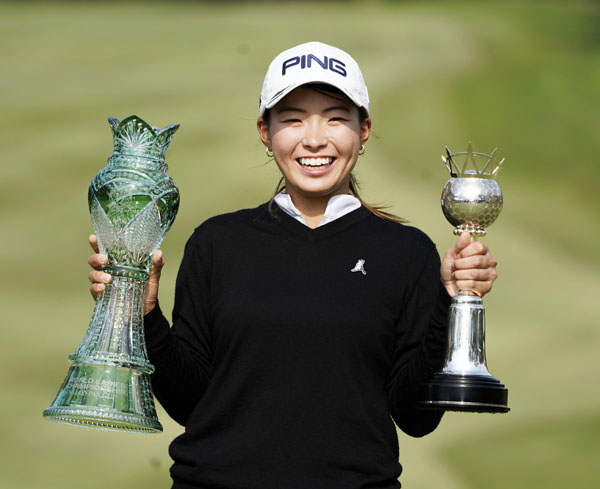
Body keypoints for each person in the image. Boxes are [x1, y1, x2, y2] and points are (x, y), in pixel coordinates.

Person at [88, 41, 498, 489]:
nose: (315, 139)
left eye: (336, 118)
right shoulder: (217, 243)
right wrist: (144, 315)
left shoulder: (406, 253)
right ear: (265, 132)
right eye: (293, 118)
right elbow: (191, 405)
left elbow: (416, 417)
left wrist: (449, 300)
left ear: (364, 130)